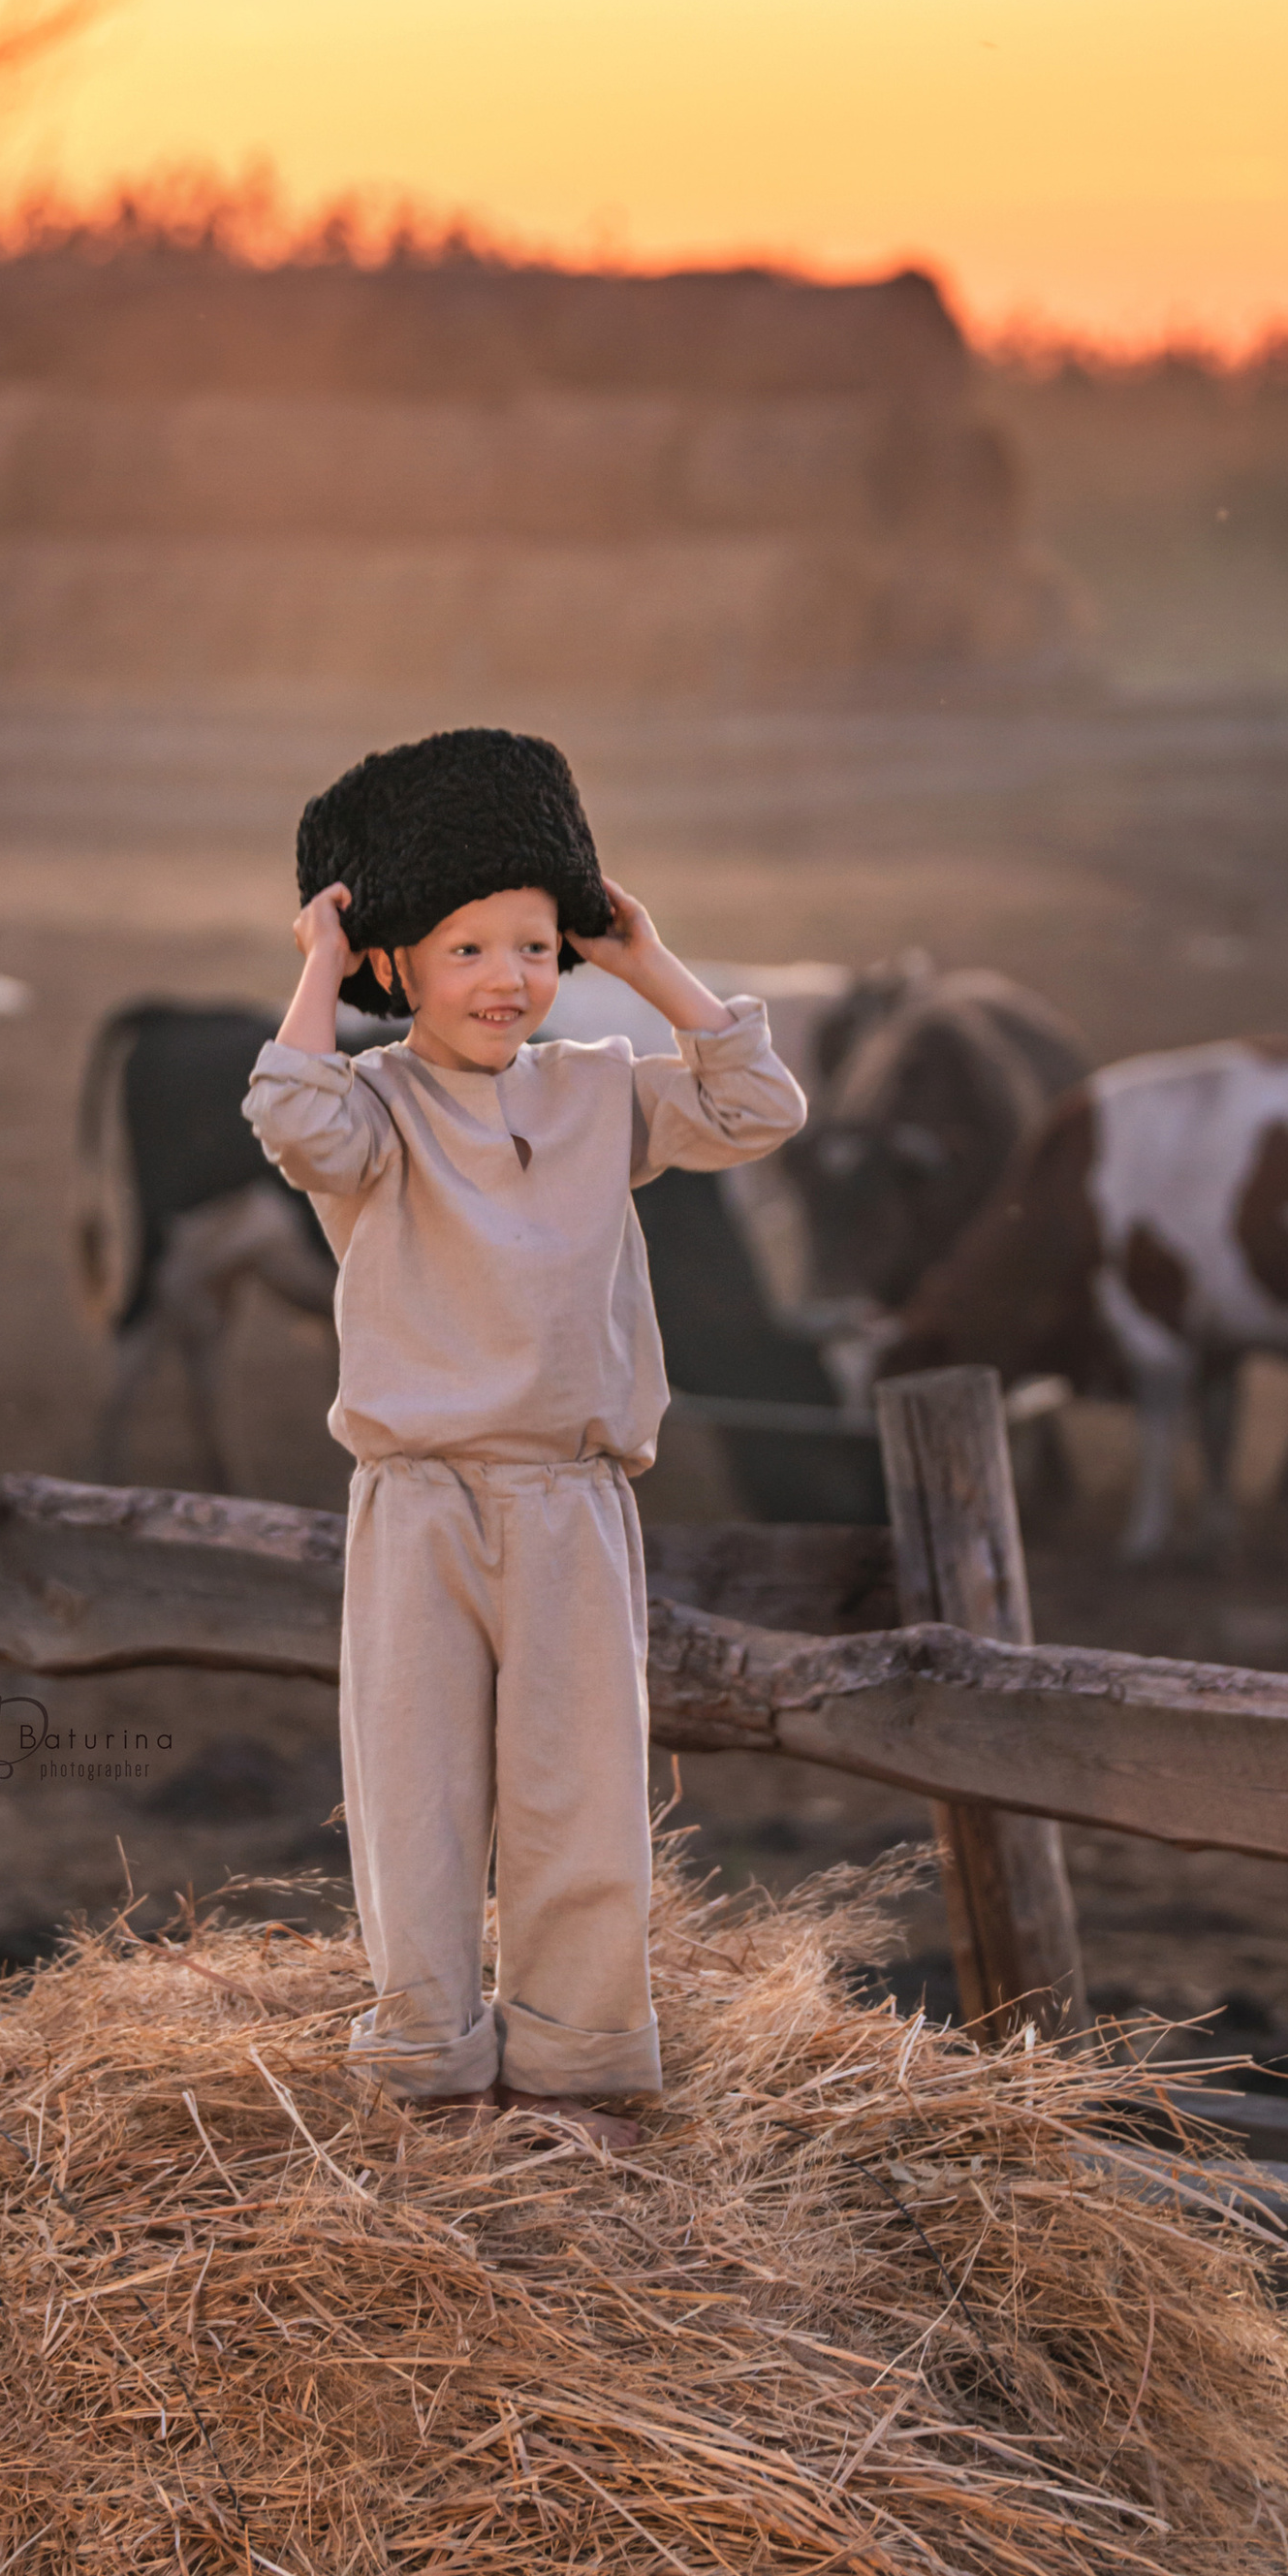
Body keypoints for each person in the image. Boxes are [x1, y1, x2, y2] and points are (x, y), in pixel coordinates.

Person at [244, 728, 807, 2147]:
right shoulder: (371, 1111)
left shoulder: (603, 1090)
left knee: (580, 1794)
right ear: (396, 970)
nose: (509, 981)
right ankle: (427, 2065)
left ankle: (579, 2073)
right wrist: (318, 961)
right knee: (415, 1790)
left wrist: (647, 960)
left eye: (537, 948)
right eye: (467, 951)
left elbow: (757, 1105)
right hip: (420, 1501)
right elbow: (289, 1118)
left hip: (569, 1501)